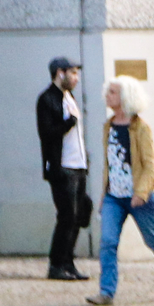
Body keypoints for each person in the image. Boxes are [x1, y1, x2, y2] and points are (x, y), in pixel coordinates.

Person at [86, 76, 154, 306]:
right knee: (108, 242)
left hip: (140, 196)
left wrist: (141, 192)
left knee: (152, 240)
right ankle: (106, 292)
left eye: (112, 92)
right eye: (108, 91)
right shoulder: (108, 126)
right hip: (114, 196)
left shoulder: (141, 128)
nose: (107, 96)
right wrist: (104, 194)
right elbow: (109, 163)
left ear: (126, 97)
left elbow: (149, 164)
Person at [34, 55, 90, 282]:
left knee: (78, 216)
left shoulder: (70, 97)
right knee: (66, 216)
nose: (76, 77)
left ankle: (68, 262)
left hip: (78, 166)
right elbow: (46, 133)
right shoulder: (47, 99)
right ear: (60, 73)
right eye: (73, 73)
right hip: (62, 167)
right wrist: (68, 123)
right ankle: (56, 264)